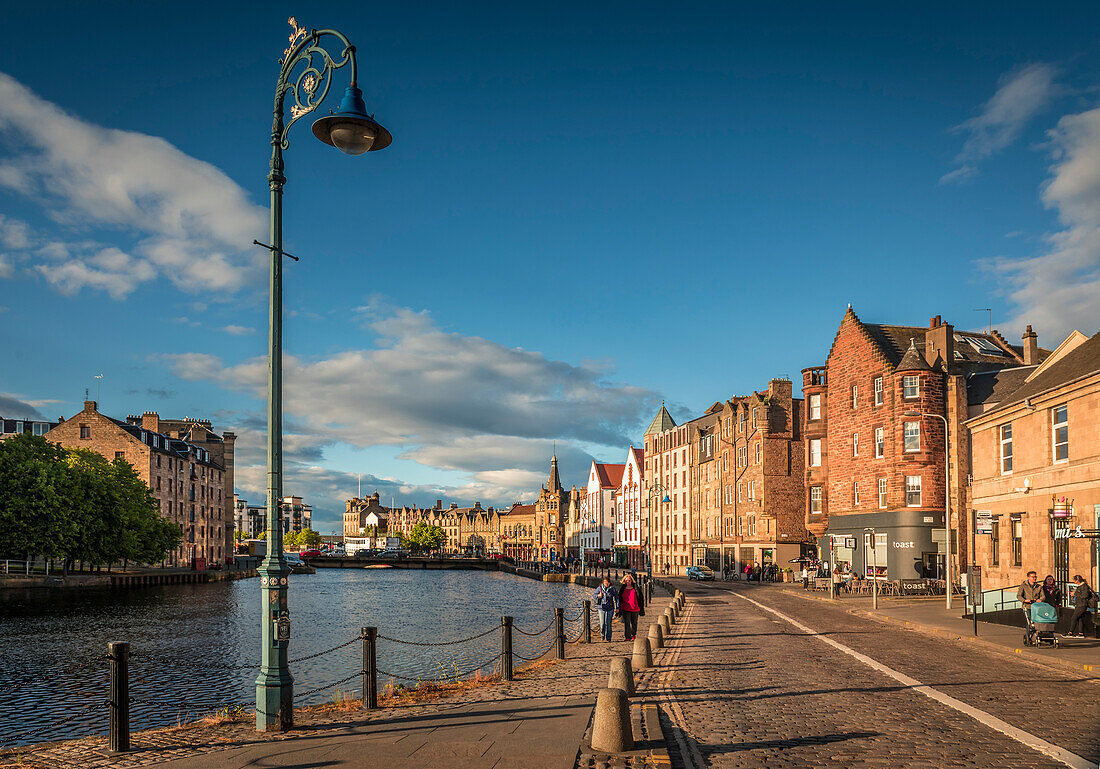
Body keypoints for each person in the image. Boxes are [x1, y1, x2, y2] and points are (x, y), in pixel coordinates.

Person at [617, 573, 645, 641]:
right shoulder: (623, 588)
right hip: (625, 608)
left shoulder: (635, 588)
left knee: (634, 623)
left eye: (629, 580)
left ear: (631, 581)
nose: (627, 582)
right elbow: (619, 597)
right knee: (627, 623)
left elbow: (640, 597)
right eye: (626, 580)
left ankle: (633, 634)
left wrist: (641, 606)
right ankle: (627, 637)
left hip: (635, 608)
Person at [593, 576, 619, 642]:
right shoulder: (600, 588)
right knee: (602, 623)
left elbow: (617, 598)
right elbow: (594, 595)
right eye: (605, 583)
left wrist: (617, 607)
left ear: (610, 583)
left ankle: (608, 637)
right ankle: (602, 635)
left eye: (607, 583)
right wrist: (598, 595)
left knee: (608, 623)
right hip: (601, 608)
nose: (606, 584)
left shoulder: (612, 589)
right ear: (603, 582)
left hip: (610, 608)